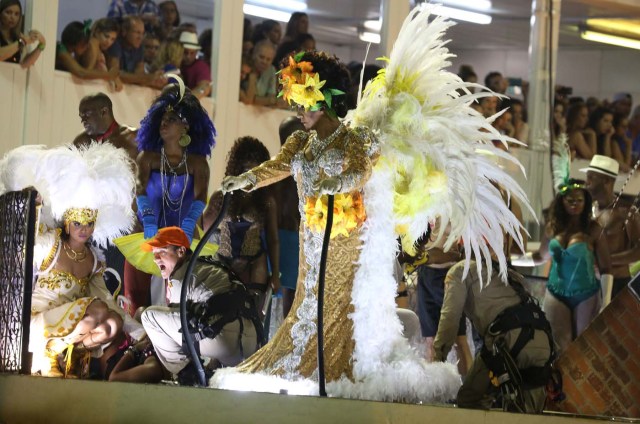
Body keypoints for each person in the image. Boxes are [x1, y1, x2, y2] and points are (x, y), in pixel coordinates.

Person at [212, 6, 528, 399]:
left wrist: (334, 182)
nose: (298, 111)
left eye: (304, 102)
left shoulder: (354, 139)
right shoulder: (298, 142)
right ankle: (303, 359)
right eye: (294, 102)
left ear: (324, 99)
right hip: (314, 240)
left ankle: (337, 367)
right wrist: (246, 178)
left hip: (346, 244)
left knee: (340, 308)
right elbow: (275, 167)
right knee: (309, 301)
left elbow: (361, 172)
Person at [0, 142, 144, 378]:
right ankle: (48, 352)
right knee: (96, 309)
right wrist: (32, 209)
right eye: (78, 223)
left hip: (75, 325)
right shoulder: (50, 244)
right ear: (67, 222)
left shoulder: (94, 260)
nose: (84, 229)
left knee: (113, 322)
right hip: (39, 325)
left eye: (89, 224)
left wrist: (138, 332)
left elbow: (107, 299)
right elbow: (20, 252)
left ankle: (61, 354)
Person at [122, 78, 215, 314]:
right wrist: (149, 216)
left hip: (182, 241)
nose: (164, 123)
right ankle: (136, 349)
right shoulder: (148, 157)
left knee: (179, 299)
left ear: (186, 126)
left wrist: (188, 222)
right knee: (137, 300)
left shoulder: (198, 163)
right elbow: (139, 188)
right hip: (146, 235)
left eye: (171, 119)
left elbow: (201, 197)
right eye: (162, 118)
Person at [140, 227, 260, 385]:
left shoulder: (181, 278)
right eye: (154, 253)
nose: (155, 258)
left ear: (181, 251)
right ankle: (212, 372)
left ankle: (189, 376)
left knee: (149, 317)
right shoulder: (207, 266)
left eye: (161, 251)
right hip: (250, 345)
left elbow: (184, 326)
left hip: (224, 341)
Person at [433, 259, 554, 413]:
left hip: (506, 343)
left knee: (470, 399)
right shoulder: (505, 269)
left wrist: (437, 360)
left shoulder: (459, 271)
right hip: (543, 344)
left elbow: (449, 320)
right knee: (527, 412)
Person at [202, 136, 280, 313]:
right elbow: (203, 230)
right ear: (236, 168)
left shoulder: (267, 200)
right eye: (245, 169)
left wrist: (275, 273)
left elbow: (273, 239)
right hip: (223, 260)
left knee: (251, 313)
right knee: (220, 310)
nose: (248, 176)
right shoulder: (222, 195)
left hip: (255, 262)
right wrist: (211, 212)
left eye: (255, 171)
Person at [534, 177, 611, 351]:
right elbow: (540, 256)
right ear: (562, 201)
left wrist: (606, 302)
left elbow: (606, 268)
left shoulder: (593, 229)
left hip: (586, 295)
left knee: (584, 345)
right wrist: (505, 258)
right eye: (570, 200)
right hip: (556, 292)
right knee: (558, 346)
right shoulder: (552, 228)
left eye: (579, 200)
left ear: (586, 201)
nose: (575, 204)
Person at [584, 155, 640, 299]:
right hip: (589, 285)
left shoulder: (626, 212)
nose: (586, 182)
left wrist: (606, 261)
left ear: (607, 181)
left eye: (591, 177)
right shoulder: (586, 210)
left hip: (617, 284)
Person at [273, 116, 305, 318]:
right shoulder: (278, 172)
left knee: (295, 300)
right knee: (284, 297)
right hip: (282, 239)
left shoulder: (307, 168)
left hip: (299, 239)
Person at [72, 92, 138, 162]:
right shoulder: (82, 141)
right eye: (81, 116)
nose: (83, 120)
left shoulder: (132, 137)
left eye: (87, 114)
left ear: (104, 111)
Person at [106, 16, 165, 88]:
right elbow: (114, 73)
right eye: (137, 32)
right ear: (124, 31)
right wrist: (148, 78)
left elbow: (139, 74)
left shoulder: (139, 47)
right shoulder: (115, 44)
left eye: (142, 33)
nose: (140, 37)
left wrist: (155, 79)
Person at [56, 21, 120, 84]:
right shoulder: (61, 49)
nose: (87, 47)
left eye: (113, 39)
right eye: (85, 43)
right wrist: (108, 75)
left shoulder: (66, 52)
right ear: (77, 41)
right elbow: (81, 72)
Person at [79, 18, 124, 91]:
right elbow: (87, 71)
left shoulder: (102, 50)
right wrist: (110, 75)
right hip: (88, 88)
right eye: (106, 36)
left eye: (112, 39)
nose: (108, 42)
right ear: (97, 32)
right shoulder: (93, 43)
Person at [0, 0, 45, 67]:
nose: (12, 17)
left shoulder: (18, 37)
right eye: (8, 12)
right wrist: (22, 41)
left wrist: (41, 45)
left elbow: (25, 63)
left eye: (16, 14)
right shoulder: (21, 40)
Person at [240, 39, 276, 106]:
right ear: (254, 55)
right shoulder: (244, 68)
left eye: (268, 59)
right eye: (261, 57)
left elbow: (272, 98)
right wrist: (270, 101)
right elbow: (249, 100)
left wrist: (271, 101)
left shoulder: (271, 70)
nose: (264, 62)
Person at [178, 31, 211, 99]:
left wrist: (185, 100)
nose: (188, 56)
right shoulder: (174, 63)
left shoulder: (201, 67)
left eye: (192, 53)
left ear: (196, 52)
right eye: (185, 52)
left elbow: (204, 87)